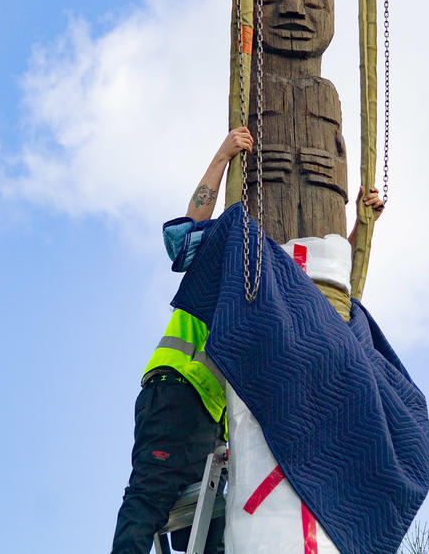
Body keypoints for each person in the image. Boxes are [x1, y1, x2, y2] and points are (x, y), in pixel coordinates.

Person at [109, 126, 384, 554]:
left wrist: (359, 226)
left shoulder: (278, 290)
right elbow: (181, 239)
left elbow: (325, 291)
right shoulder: (227, 258)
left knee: (206, 533)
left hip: (209, 417)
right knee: (150, 495)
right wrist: (222, 156)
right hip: (175, 392)